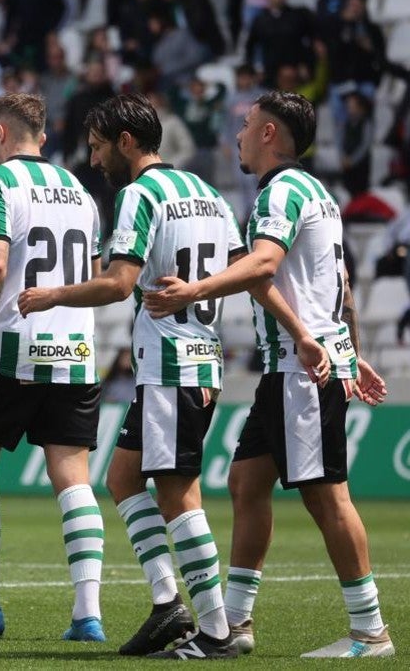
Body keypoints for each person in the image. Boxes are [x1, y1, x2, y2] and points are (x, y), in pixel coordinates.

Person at [144, 90, 395, 659]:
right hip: (305, 358)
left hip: (300, 366)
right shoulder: (318, 194)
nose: (237, 131)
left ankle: (369, 630)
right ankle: (234, 624)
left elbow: (263, 266)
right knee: (246, 483)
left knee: (328, 498)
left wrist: (197, 289)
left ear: (268, 133)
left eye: (247, 122)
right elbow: (339, 282)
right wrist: (350, 348)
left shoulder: (278, 191)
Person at [18, 93, 246, 658]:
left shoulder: (138, 194)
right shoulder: (208, 193)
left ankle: (217, 632)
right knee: (122, 478)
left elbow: (119, 284)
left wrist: (52, 296)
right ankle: (168, 604)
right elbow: (244, 268)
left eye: (97, 148)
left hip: (172, 363)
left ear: (125, 142)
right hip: (196, 357)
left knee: (177, 494)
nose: (93, 161)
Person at [0, 93, 106, 643]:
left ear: (0, 134)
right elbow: (92, 269)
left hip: (11, 346)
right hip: (76, 349)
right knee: (74, 481)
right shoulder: (81, 191)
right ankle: (88, 614)